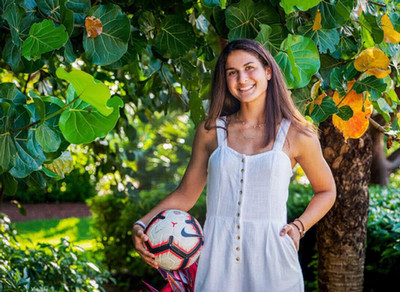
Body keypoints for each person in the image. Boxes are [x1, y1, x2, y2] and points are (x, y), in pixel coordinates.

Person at [132, 39, 336, 292]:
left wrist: (299, 227)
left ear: (268, 71)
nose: (242, 79)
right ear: (225, 80)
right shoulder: (210, 131)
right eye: (232, 72)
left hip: (273, 258)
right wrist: (142, 224)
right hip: (217, 260)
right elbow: (186, 195)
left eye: (250, 68)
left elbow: (327, 190)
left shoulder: (297, 134)